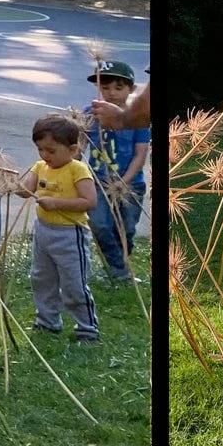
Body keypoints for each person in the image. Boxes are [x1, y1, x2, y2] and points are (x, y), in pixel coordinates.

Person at [21, 114, 101, 343]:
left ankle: (87, 329)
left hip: (70, 235)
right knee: (41, 278)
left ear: (73, 149)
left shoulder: (78, 170)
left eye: (51, 150)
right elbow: (26, 190)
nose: (45, 156)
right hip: (43, 232)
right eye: (40, 150)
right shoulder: (40, 167)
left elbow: (89, 202)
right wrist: (9, 184)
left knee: (73, 284)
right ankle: (48, 322)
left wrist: (56, 203)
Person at [83, 61, 150, 283]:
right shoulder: (90, 114)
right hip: (97, 183)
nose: (111, 93)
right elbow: (78, 146)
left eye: (118, 88)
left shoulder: (138, 116)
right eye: (105, 87)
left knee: (126, 229)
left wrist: (124, 181)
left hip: (130, 184)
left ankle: (119, 265)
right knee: (100, 225)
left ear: (132, 89)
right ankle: (118, 271)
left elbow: (140, 154)